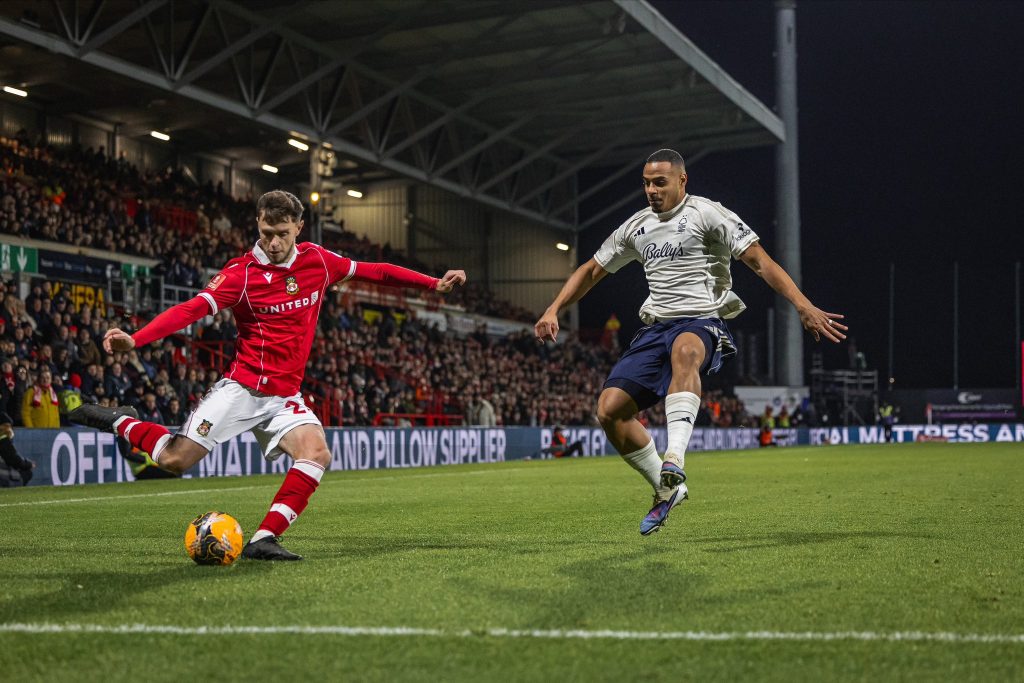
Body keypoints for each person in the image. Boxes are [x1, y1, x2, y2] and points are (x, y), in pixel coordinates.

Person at [69, 190, 466, 560]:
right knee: (175, 460)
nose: (272, 243)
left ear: (298, 227)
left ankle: (264, 538)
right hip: (242, 389)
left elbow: (375, 272)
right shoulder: (240, 274)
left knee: (316, 453)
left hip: (284, 396)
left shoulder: (318, 261)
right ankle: (119, 419)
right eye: (265, 234)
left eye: (280, 234)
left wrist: (433, 284)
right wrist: (136, 339)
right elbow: (190, 309)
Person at [534, 149, 846, 535]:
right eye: (646, 183)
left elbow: (759, 260)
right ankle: (666, 491)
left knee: (685, 351)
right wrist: (554, 308)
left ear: (682, 181)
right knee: (609, 410)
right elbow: (592, 269)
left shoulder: (707, 213)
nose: (651, 190)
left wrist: (802, 305)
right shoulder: (637, 226)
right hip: (654, 328)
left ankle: (674, 457)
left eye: (659, 182)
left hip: (702, 321)